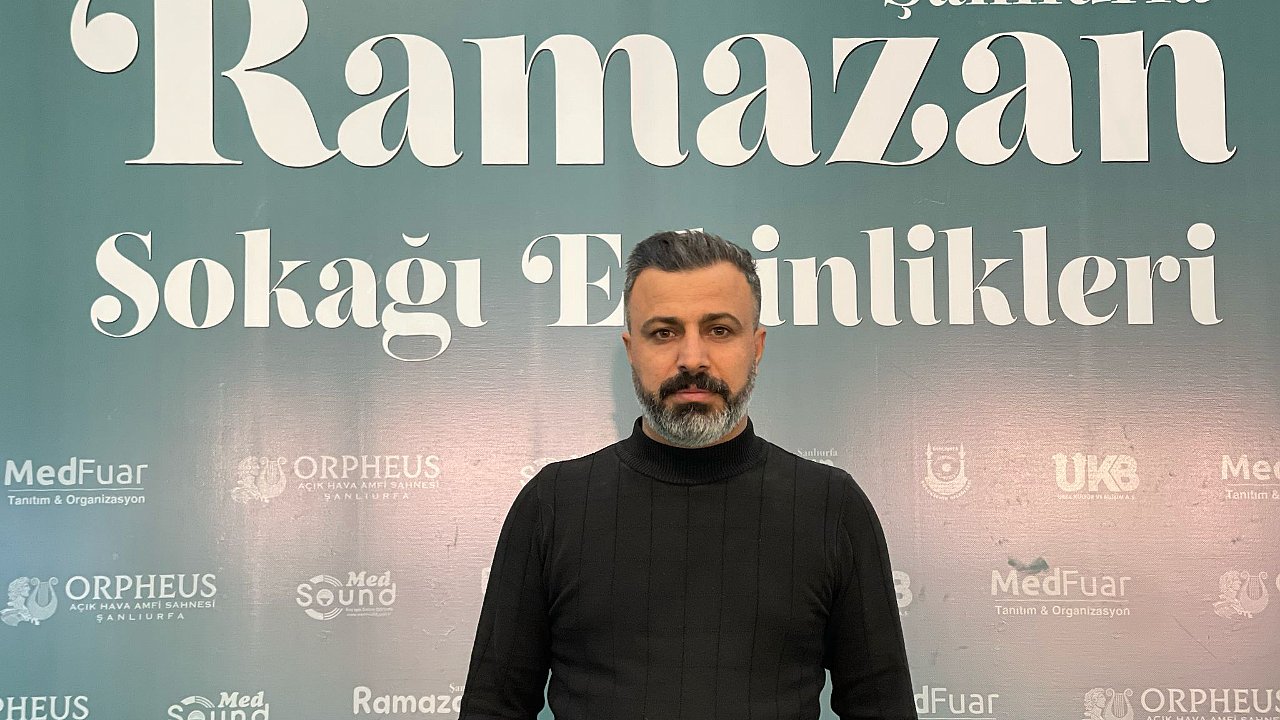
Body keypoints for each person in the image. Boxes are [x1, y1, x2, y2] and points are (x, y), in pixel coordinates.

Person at [459, 230, 917, 720]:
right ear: (631, 349)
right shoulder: (553, 504)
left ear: (756, 346)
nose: (692, 358)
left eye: (719, 330)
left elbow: (882, 709)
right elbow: (493, 708)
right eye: (664, 332)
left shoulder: (831, 506)